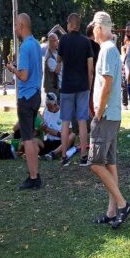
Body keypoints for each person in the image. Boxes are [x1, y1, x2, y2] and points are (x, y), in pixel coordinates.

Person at [89, 12, 130, 228]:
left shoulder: (106, 50)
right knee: (110, 163)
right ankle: (111, 211)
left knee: (95, 164)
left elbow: (107, 83)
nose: (93, 34)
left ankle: (123, 205)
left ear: (99, 28)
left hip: (105, 116)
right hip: (112, 115)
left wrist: (98, 112)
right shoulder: (112, 49)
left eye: (93, 29)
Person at [6, 12, 44, 190]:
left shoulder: (25, 47)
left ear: (21, 26)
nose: (14, 28)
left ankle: (34, 177)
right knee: (30, 136)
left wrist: (12, 69)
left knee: (27, 138)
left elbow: (24, 75)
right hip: (35, 94)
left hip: (26, 97)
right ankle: (34, 173)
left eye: (15, 25)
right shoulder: (36, 44)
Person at [58, 13, 95, 167]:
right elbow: (90, 68)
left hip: (67, 86)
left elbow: (58, 63)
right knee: (82, 120)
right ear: (79, 25)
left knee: (65, 122)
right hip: (82, 86)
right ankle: (84, 156)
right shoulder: (86, 42)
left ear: (69, 24)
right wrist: (90, 85)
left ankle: (64, 156)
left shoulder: (63, 41)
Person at [40, 92, 64, 157]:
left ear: (55, 105)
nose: (48, 109)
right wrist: (43, 127)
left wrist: (56, 133)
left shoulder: (63, 113)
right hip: (48, 140)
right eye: (47, 106)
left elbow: (69, 134)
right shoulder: (46, 110)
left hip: (59, 141)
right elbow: (44, 128)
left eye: (50, 107)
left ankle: (54, 153)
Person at [43, 33, 61, 98]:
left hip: (57, 88)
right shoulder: (49, 57)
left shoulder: (56, 52)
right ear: (51, 42)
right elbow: (57, 70)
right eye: (56, 40)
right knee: (52, 107)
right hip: (52, 89)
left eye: (57, 40)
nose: (58, 42)